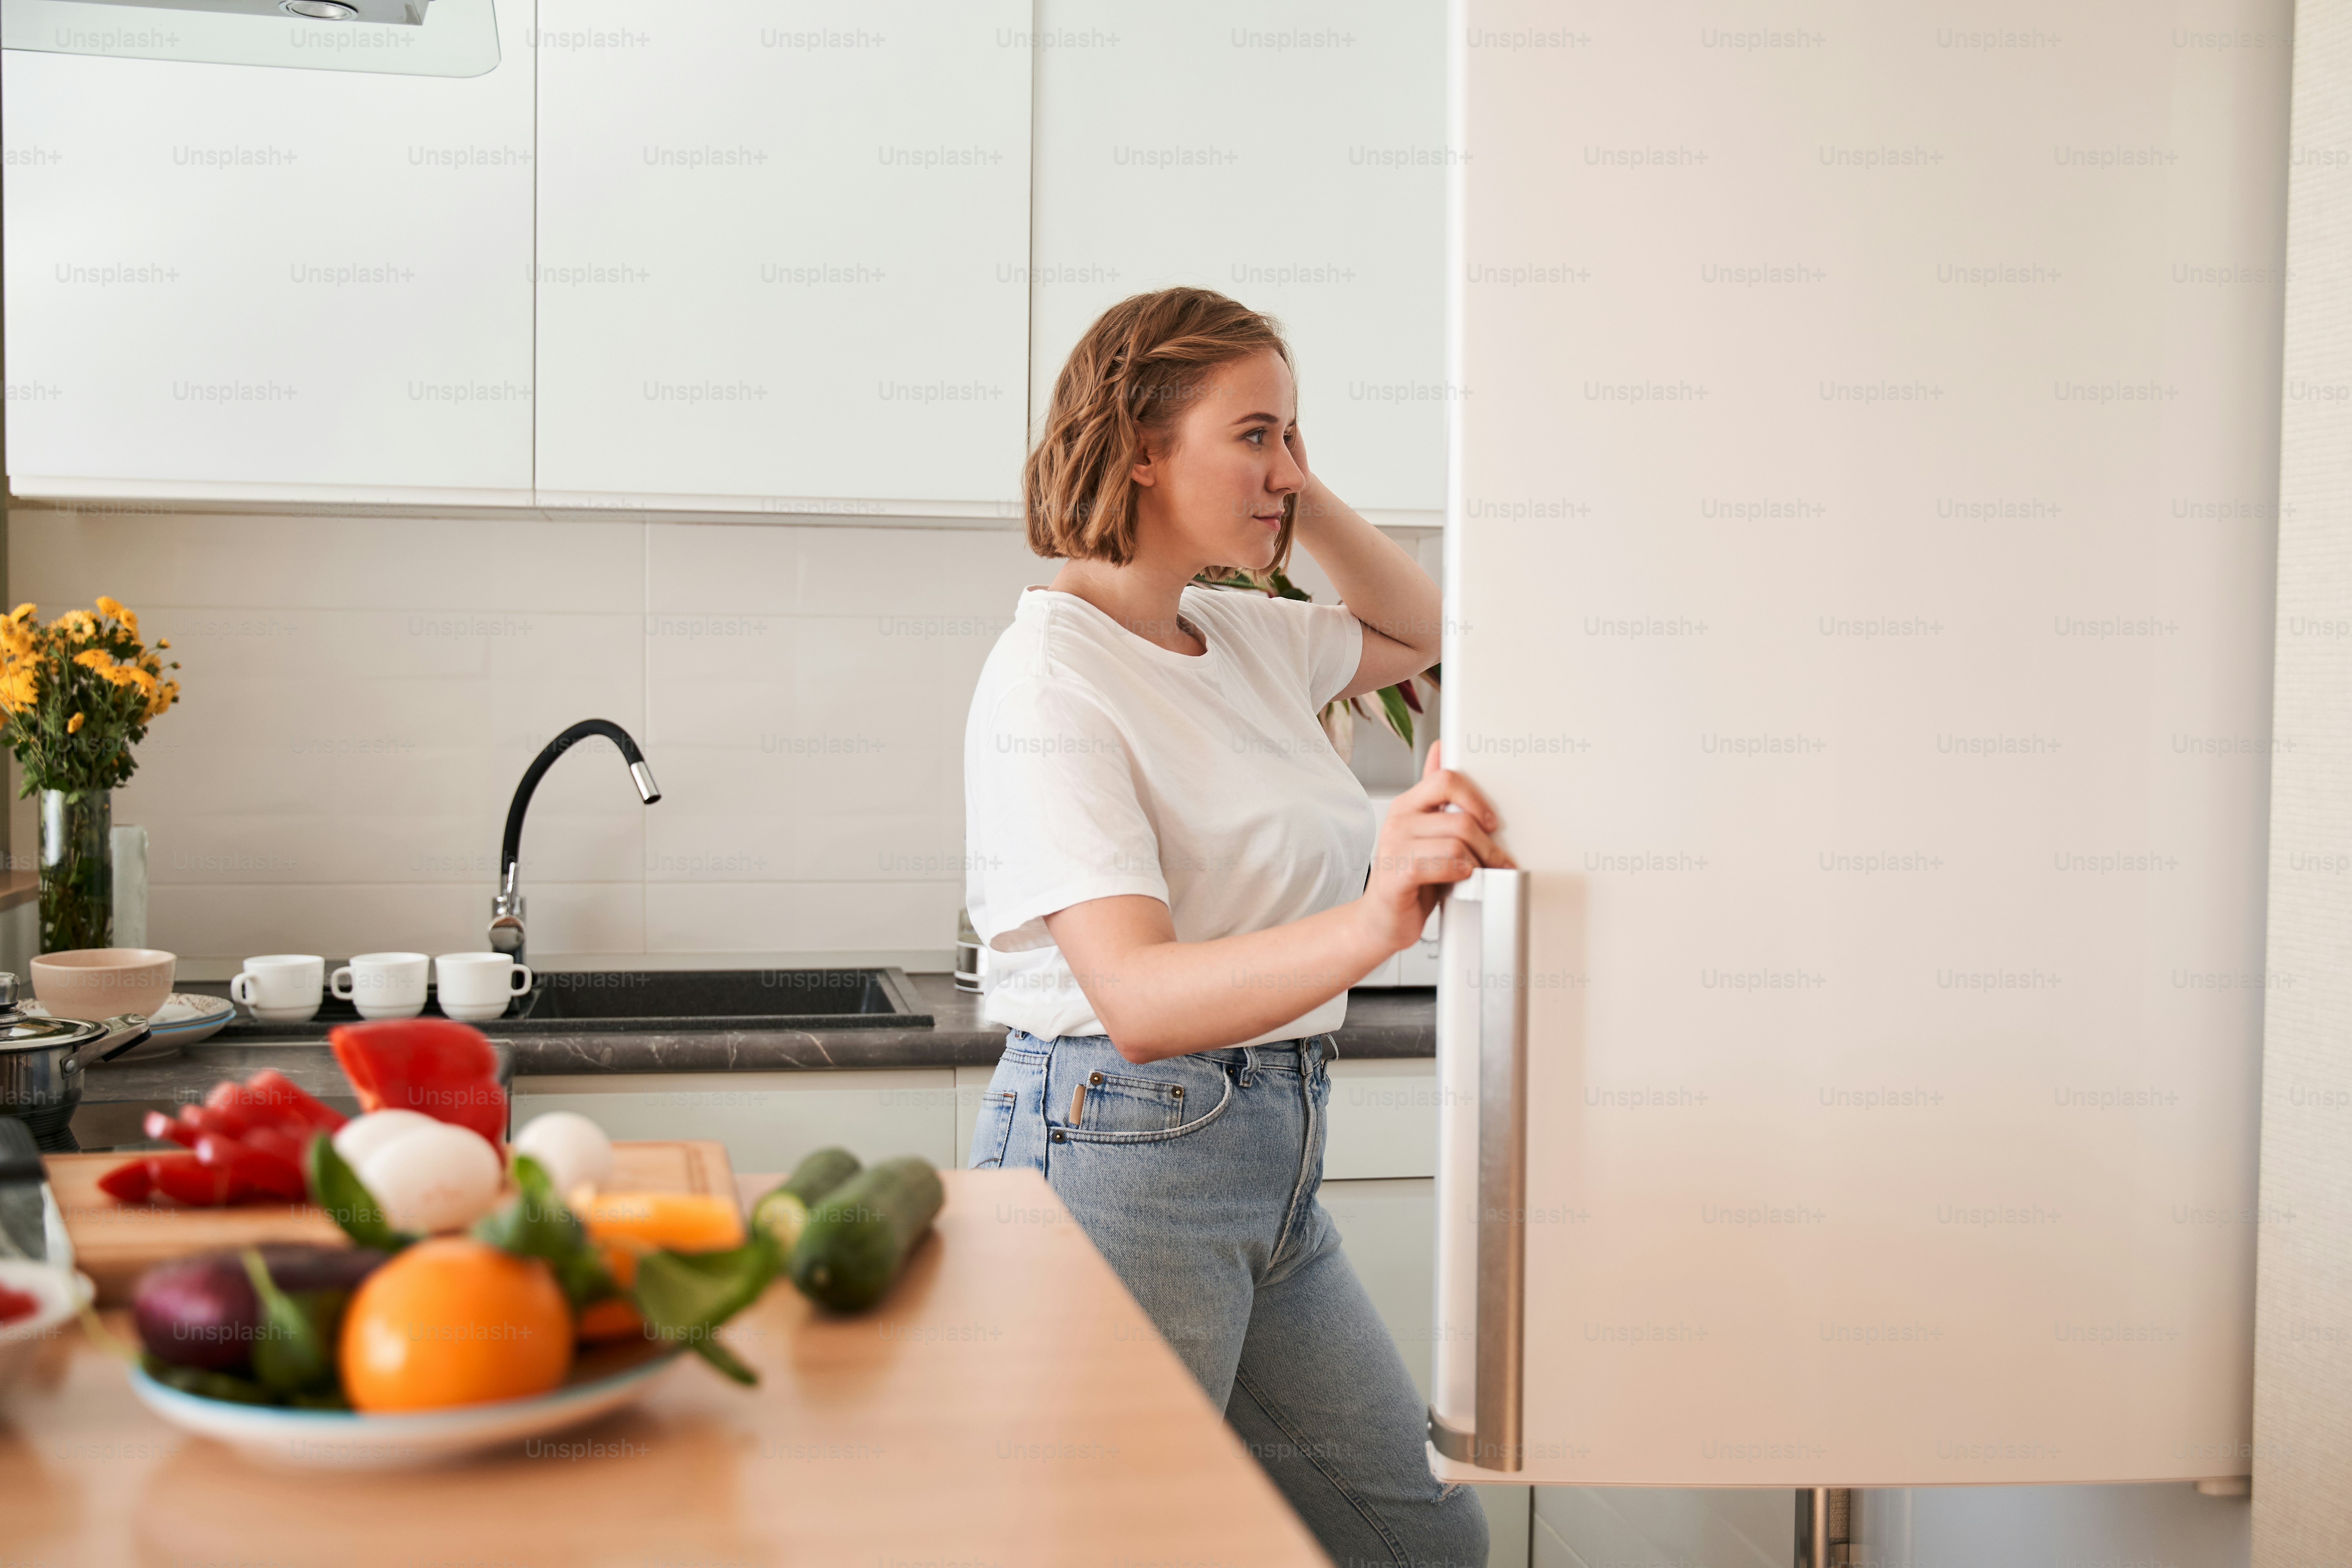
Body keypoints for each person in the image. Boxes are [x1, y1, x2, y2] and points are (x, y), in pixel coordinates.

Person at [962, 286, 1512, 1566]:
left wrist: (1298, 496)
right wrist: (1382, 918)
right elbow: (1141, 1002)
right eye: (1254, 436)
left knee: (1421, 1543)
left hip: (1268, 1157)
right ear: (1142, 448)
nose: (1283, 470)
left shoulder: (1244, 634)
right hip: (1118, 1153)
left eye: (1292, 436)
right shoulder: (1052, 675)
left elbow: (1428, 635)